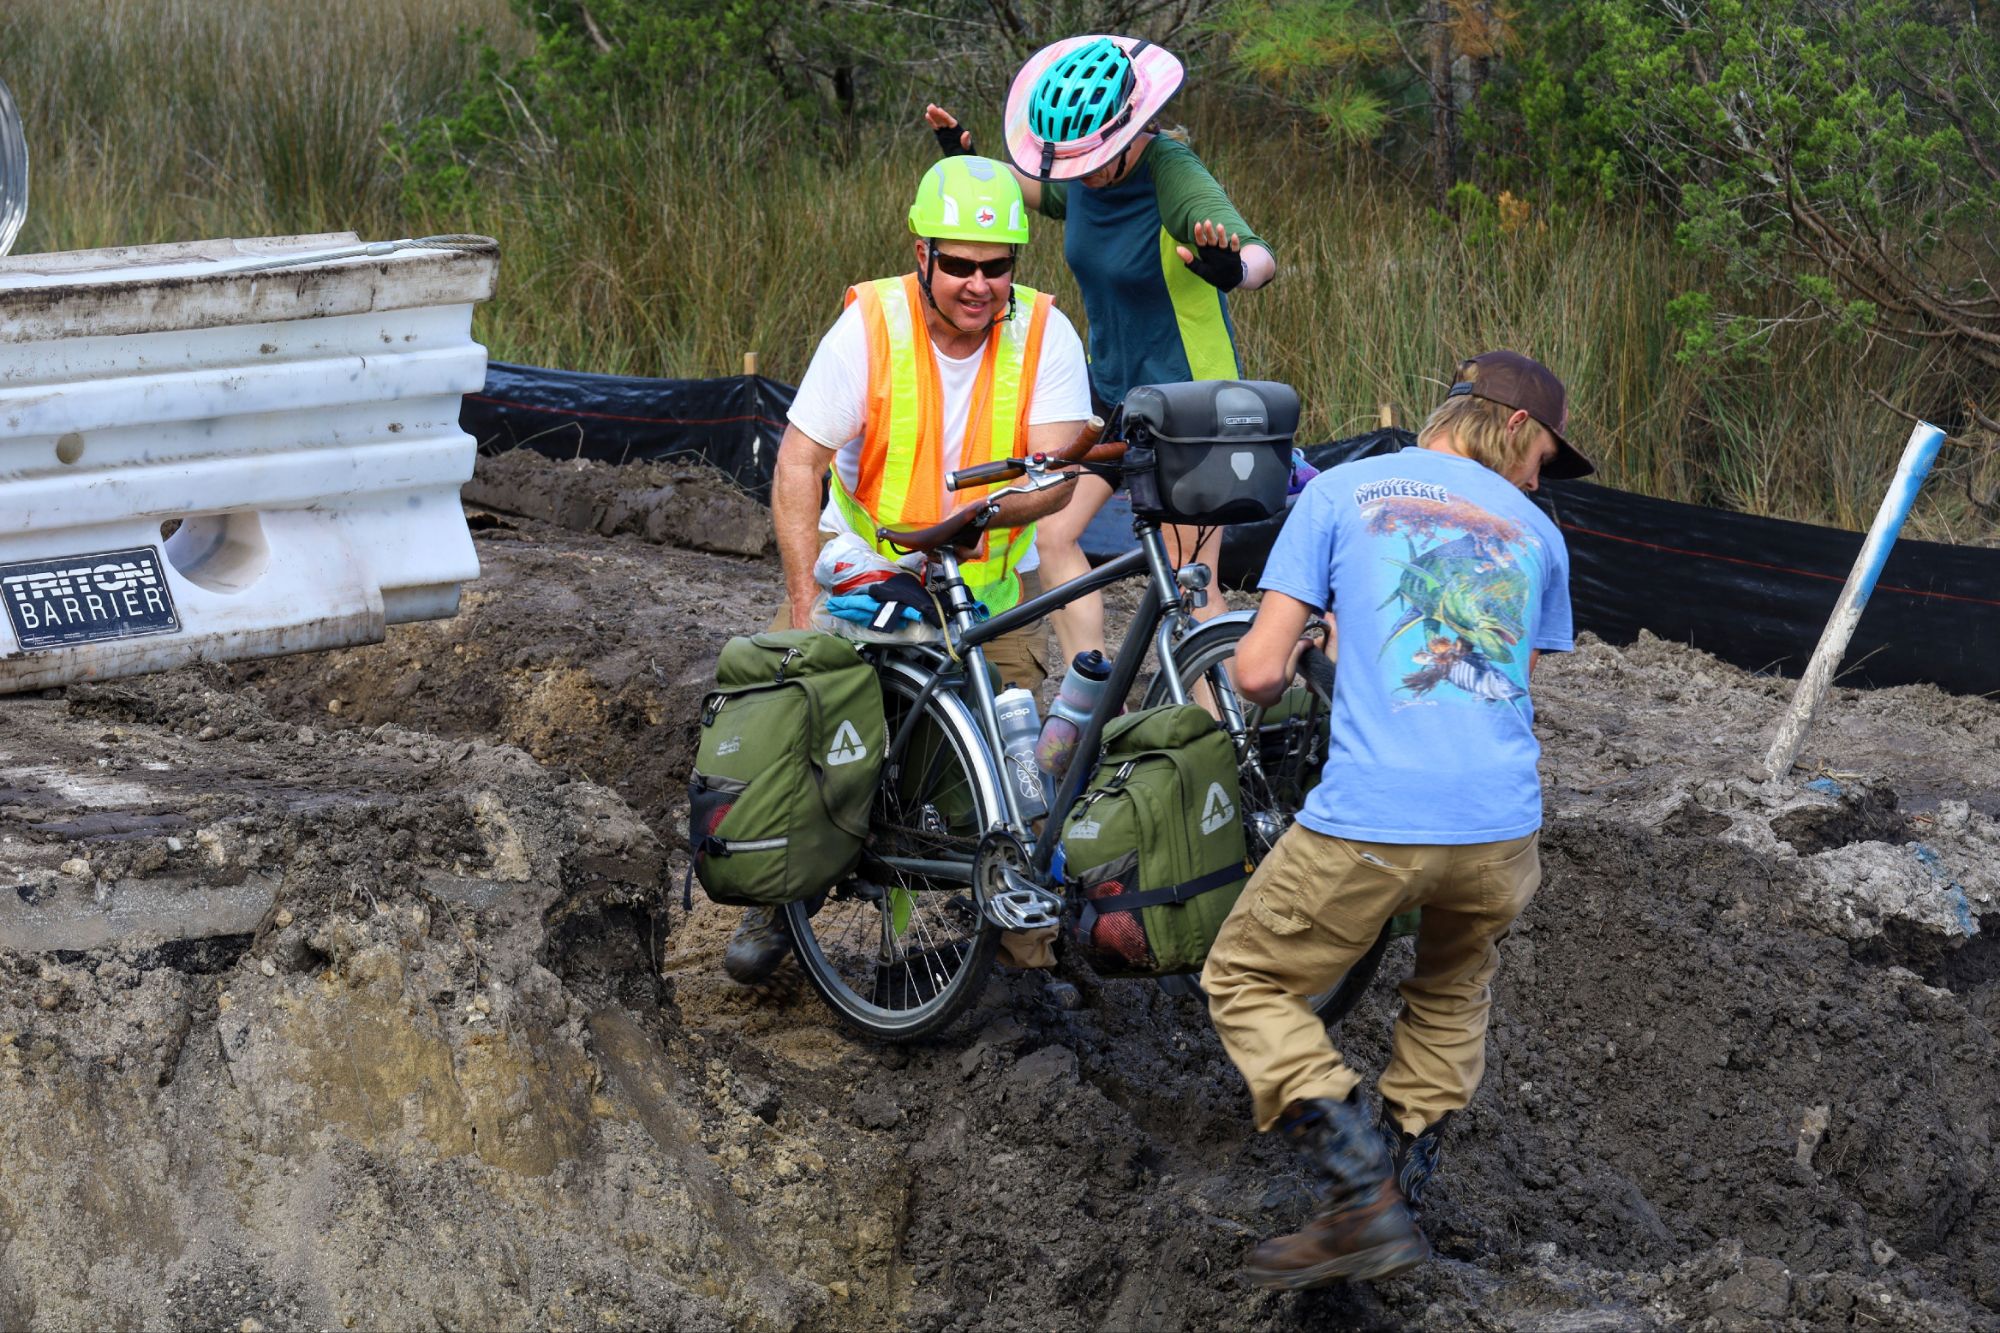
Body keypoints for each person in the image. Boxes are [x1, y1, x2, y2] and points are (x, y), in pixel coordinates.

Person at [1198, 351, 1592, 1288]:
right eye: (1545, 455)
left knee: (1246, 976)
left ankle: (1358, 1192)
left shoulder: (1342, 490)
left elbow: (1252, 675)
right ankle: (1404, 1201)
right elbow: (1507, 694)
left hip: (1376, 818)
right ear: (1514, 429)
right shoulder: (1537, 532)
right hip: (1501, 827)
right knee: (1452, 989)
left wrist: (1306, 646)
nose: (1541, 479)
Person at [723, 155, 1093, 986]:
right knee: (818, 733)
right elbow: (797, 464)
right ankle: (781, 894)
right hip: (866, 571)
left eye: (995, 268)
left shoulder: (1044, 331)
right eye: (957, 264)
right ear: (922, 254)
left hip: (989, 589)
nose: (977, 284)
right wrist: (803, 603)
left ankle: (1030, 954)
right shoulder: (871, 327)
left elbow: (1061, 472)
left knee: (1015, 774)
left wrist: (986, 518)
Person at [925, 34, 1277, 667]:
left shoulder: (1172, 171)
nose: (1080, 173)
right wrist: (969, 163)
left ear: (1124, 131)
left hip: (1192, 403)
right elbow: (1041, 192)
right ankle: (1089, 698)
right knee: (1053, 531)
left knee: (1191, 584)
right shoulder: (1083, 171)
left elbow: (1261, 257)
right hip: (1114, 397)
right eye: (1072, 162)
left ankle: (1221, 741)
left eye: (1092, 160)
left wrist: (1234, 268)